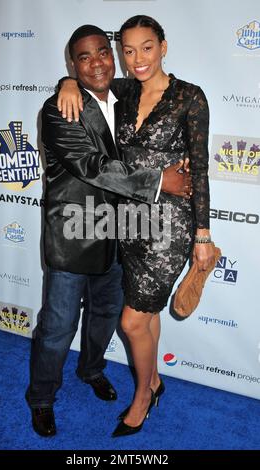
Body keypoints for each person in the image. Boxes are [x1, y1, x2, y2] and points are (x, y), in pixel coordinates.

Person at [26, 24, 192, 437]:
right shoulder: (57, 109)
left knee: (104, 318)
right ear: (73, 64)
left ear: (113, 56)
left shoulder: (126, 95)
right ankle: (42, 397)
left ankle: (92, 369)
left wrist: (67, 80)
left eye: (102, 52)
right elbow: (95, 168)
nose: (96, 62)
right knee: (57, 327)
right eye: (83, 58)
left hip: (121, 236)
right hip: (73, 237)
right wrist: (158, 182)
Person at [58, 15, 215, 438]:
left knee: (130, 322)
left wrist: (203, 235)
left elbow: (198, 171)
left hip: (170, 225)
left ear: (163, 46)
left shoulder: (189, 97)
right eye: (128, 50)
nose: (137, 59)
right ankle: (156, 380)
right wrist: (66, 84)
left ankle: (143, 397)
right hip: (129, 221)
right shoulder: (124, 92)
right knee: (145, 318)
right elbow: (88, 81)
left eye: (147, 47)